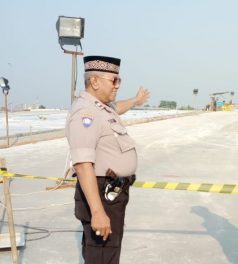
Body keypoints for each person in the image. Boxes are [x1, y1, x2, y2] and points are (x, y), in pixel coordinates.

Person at [66, 55, 149, 264]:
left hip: (111, 193)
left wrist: (136, 101)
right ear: (94, 81)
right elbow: (83, 164)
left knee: (107, 254)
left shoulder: (101, 108)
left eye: (119, 80)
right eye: (114, 80)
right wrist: (97, 212)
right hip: (101, 194)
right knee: (103, 256)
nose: (117, 86)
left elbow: (117, 107)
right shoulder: (86, 112)